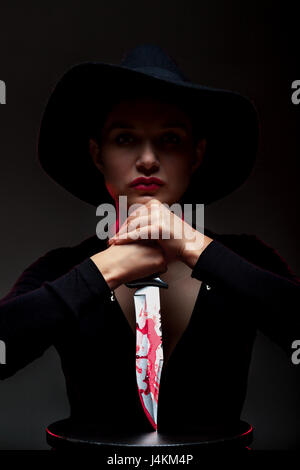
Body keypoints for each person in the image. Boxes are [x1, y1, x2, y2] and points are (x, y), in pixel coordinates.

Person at [0, 44, 299, 440]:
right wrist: (103, 270)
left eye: (170, 139)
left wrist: (196, 248)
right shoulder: (61, 269)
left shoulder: (246, 259)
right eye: (125, 139)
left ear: (197, 154)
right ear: (97, 154)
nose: (147, 159)